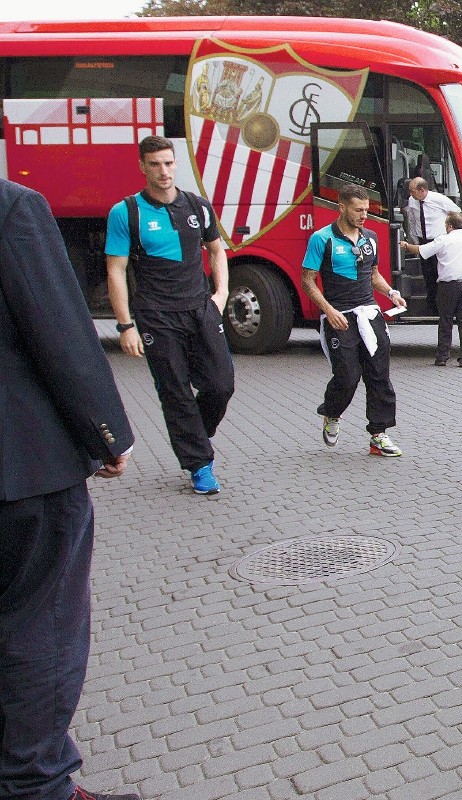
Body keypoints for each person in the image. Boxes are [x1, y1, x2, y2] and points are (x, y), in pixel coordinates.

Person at [1, 179, 138, 800]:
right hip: (22, 471)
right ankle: (36, 784)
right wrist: (105, 433)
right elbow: (59, 331)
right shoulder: (11, 208)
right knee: (41, 628)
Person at [105, 136, 234, 495]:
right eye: (155, 164)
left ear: (176, 163)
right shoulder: (126, 212)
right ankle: (199, 465)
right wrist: (125, 325)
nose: (163, 171)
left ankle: (194, 433)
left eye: (168, 163)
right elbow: (116, 270)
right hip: (156, 318)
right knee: (176, 393)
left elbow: (217, 250)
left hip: (200, 310)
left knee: (221, 385)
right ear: (142, 167)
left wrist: (220, 293)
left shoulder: (199, 206)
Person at [302, 184, 406, 457]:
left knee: (379, 374)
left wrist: (391, 292)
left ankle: (378, 435)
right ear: (342, 208)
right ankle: (331, 414)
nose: (364, 216)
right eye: (358, 210)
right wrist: (329, 310)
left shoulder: (370, 237)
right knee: (348, 376)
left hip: (368, 313)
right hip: (339, 316)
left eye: (366, 210)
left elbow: (374, 275)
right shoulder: (321, 239)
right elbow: (308, 281)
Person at [400, 212, 462, 367]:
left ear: (449, 226)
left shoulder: (443, 240)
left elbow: (422, 250)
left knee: (445, 321)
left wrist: (406, 245)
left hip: (447, 287)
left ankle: (442, 357)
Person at [405, 177, 461, 316]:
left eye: (413, 191)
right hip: (423, 240)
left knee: (440, 273)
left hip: (438, 240)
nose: (410, 194)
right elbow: (412, 219)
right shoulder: (412, 201)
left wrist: (450, 232)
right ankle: (432, 305)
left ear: (422, 190)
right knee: (428, 274)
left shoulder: (438, 199)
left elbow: (456, 211)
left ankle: (444, 306)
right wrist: (413, 238)